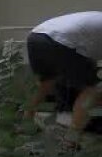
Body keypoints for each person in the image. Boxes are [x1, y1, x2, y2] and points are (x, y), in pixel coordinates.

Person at [24, 11, 101, 142]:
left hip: (37, 36)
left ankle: (24, 122)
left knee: (47, 82)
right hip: (61, 41)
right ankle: (71, 139)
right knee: (93, 88)